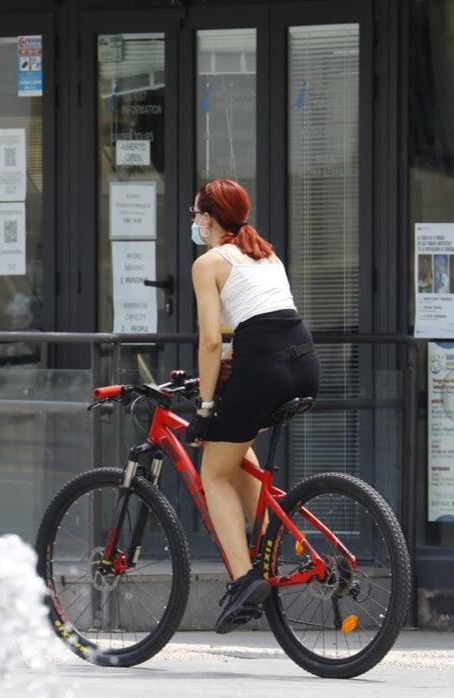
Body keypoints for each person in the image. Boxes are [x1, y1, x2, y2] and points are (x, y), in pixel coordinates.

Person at [183, 178, 320, 633]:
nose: (194, 222)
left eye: (195, 214)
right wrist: (226, 366)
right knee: (235, 447)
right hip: (303, 362)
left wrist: (204, 403)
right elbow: (265, 322)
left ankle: (244, 580)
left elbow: (209, 338)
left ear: (207, 218)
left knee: (213, 471)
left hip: (263, 367)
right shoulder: (265, 253)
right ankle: (266, 550)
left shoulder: (209, 263)